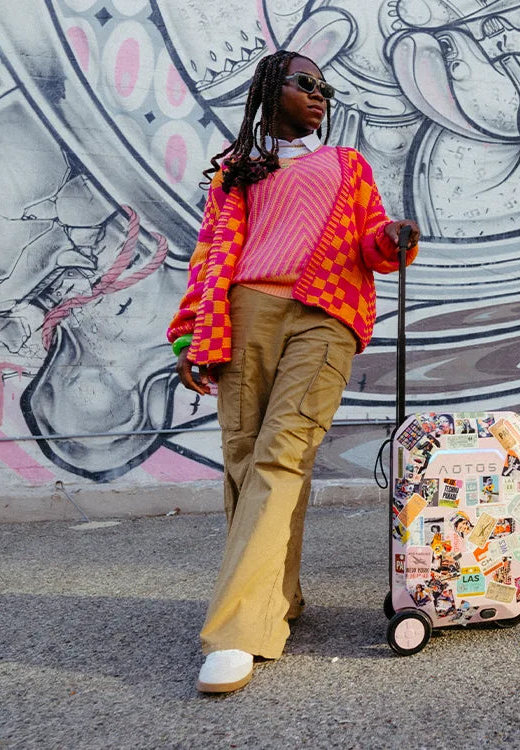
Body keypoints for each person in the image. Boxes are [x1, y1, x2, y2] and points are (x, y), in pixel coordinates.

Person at [167, 50, 420, 694]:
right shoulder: (236, 172)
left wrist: (393, 236)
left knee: (282, 452)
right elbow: (208, 256)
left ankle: (236, 632)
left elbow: (369, 241)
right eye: (306, 83)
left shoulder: (344, 165)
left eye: (325, 88)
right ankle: (278, 595)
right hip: (245, 312)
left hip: (324, 316)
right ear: (268, 89)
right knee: (243, 456)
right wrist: (188, 337)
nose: (319, 95)